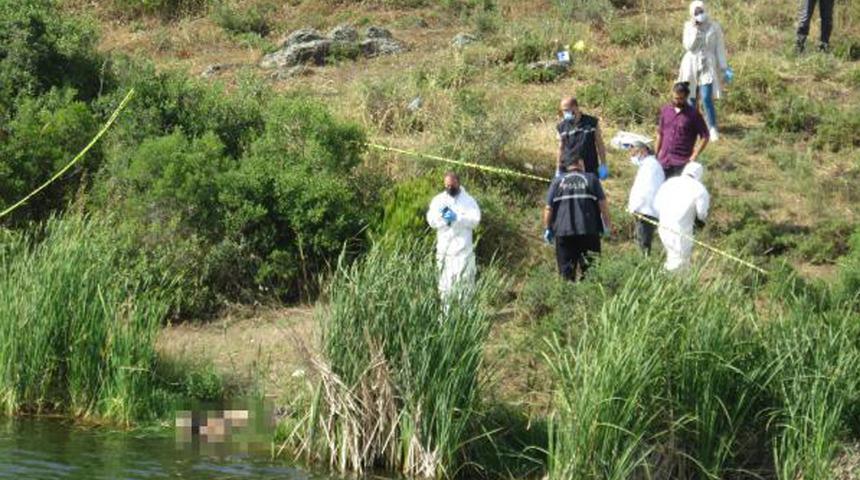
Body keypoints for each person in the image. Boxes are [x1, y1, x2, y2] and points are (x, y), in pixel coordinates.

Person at [543, 156, 612, 281]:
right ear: (580, 164)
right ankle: (591, 298)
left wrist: (548, 228)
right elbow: (603, 204)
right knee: (592, 273)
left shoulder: (557, 181)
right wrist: (607, 225)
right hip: (589, 231)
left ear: (567, 166)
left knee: (566, 275)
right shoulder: (591, 179)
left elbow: (548, 208)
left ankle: (569, 299)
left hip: (564, 233)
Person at [677, 1, 729, 141]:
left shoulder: (714, 27)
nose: (700, 14)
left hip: (708, 63)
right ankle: (694, 127)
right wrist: (696, 30)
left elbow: (719, 47)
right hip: (691, 63)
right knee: (691, 97)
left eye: (701, 11)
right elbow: (688, 46)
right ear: (692, 14)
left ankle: (712, 127)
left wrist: (724, 67)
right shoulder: (688, 26)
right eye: (696, 12)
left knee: (706, 96)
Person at [426, 171, 481, 297]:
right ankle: (445, 316)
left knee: (465, 287)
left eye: (452, 185)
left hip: (463, 252)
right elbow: (431, 220)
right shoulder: (439, 200)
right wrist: (446, 220)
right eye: (447, 186)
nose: (449, 188)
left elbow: (475, 220)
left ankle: (464, 316)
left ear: (458, 183)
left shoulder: (469, 201)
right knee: (445, 288)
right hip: (444, 251)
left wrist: (458, 219)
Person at [653, 162, 710, 272]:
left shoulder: (670, 182)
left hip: (663, 226)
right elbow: (702, 213)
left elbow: (656, 204)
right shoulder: (699, 189)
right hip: (681, 231)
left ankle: (663, 280)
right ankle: (667, 283)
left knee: (671, 257)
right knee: (679, 263)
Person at [655, 82, 710, 179]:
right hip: (663, 161)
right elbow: (660, 134)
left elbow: (705, 136)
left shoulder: (694, 115)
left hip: (681, 163)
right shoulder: (665, 110)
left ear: (686, 97)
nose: (678, 101)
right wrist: (656, 154)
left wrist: (694, 155)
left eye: (681, 99)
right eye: (676, 98)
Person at [626, 141, 665, 255]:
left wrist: (634, 207)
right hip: (647, 210)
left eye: (634, 153)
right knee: (642, 241)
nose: (632, 156)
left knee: (643, 244)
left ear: (642, 151)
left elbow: (645, 190)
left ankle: (644, 267)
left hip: (645, 210)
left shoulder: (650, 166)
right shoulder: (650, 165)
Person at [556, 96, 609, 179]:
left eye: (567, 110)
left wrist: (603, 164)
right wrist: (558, 168)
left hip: (589, 165)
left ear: (575, 107)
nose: (565, 113)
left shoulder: (591, 123)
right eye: (563, 111)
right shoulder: (562, 126)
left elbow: (600, 144)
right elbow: (560, 148)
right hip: (569, 166)